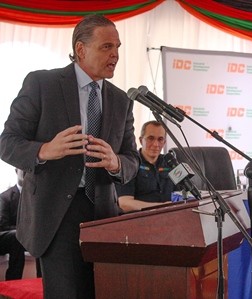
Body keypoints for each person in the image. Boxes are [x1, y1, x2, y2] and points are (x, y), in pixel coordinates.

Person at [0, 14, 139, 298]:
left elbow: (131, 159)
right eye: (107, 47)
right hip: (56, 215)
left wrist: (116, 163)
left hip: (104, 215)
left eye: (118, 47)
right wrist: (43, 150)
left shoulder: (121, 100)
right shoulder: (42, 84)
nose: (115, 55)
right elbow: (7, 142)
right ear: (80, 49)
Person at [116, 120, 179, 213]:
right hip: (141, 220)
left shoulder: (171, 163)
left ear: (164, 142)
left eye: (160, 139)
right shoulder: (130, 164)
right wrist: (162, 207)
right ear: (141, 140)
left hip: (172, 217)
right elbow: (125, 203)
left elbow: (186, 193)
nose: (155, 144)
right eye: (151, 138)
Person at [0, 169, 25, 280]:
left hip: (30, 237)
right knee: (16, 237)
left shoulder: (37, 198)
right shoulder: (5, 197)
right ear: (16, 170)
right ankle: (13, 282)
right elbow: (3, 225)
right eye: (23, 169)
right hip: (12, 237)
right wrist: (26, 231)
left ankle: (42, 283)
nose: (26, 172)